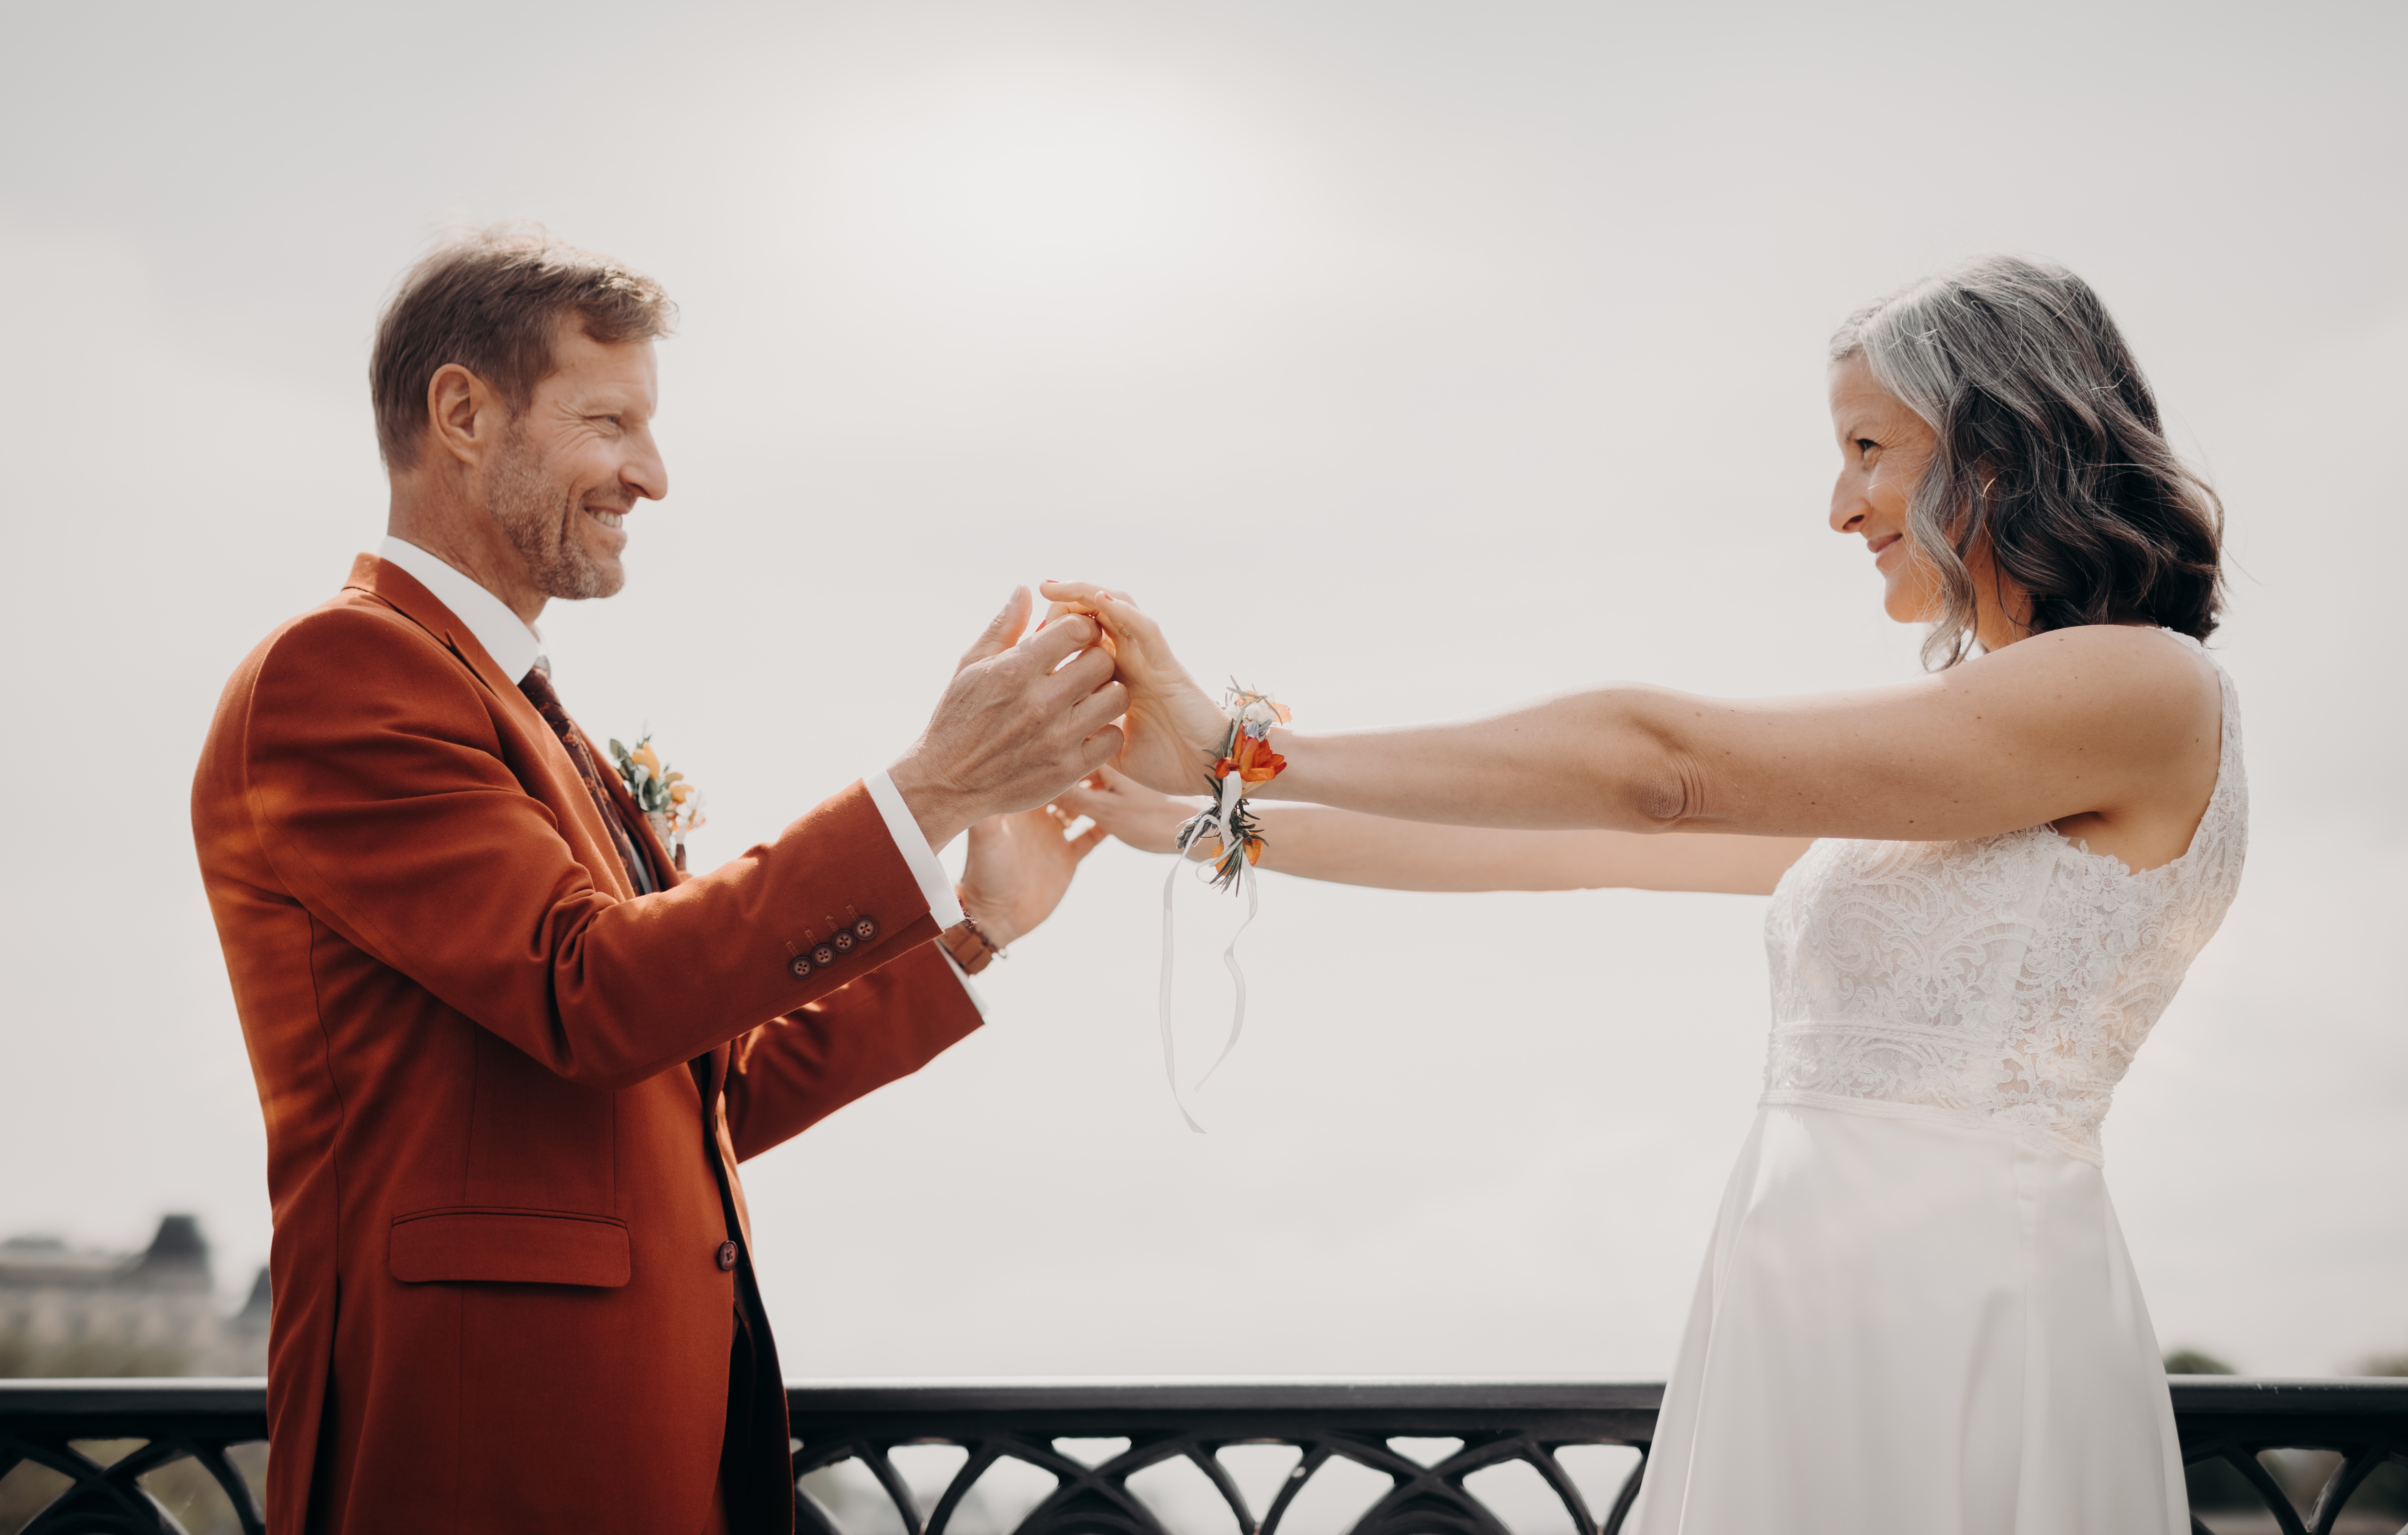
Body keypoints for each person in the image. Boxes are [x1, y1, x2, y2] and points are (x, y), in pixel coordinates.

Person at [1051, 255, 2241, 1533]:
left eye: (1867, 447)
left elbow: (1655, 770)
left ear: (1997, 448)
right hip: (1809, 1314)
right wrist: (1207, 824)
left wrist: (1243, 738)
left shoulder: (2144, 689)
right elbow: (1565, 843)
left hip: (1962, 1314)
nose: (1840, 508)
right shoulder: (1974, 766)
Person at [190, 228, 1125, 1535]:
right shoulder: (343, 674)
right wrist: (930, 793)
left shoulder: (521, 711)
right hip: (482, 1455)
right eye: (609, 420)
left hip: (649, 1449)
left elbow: (703, 1087)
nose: (655, 474)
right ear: (462, 412)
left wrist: (973, 931)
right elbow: (597, 997)